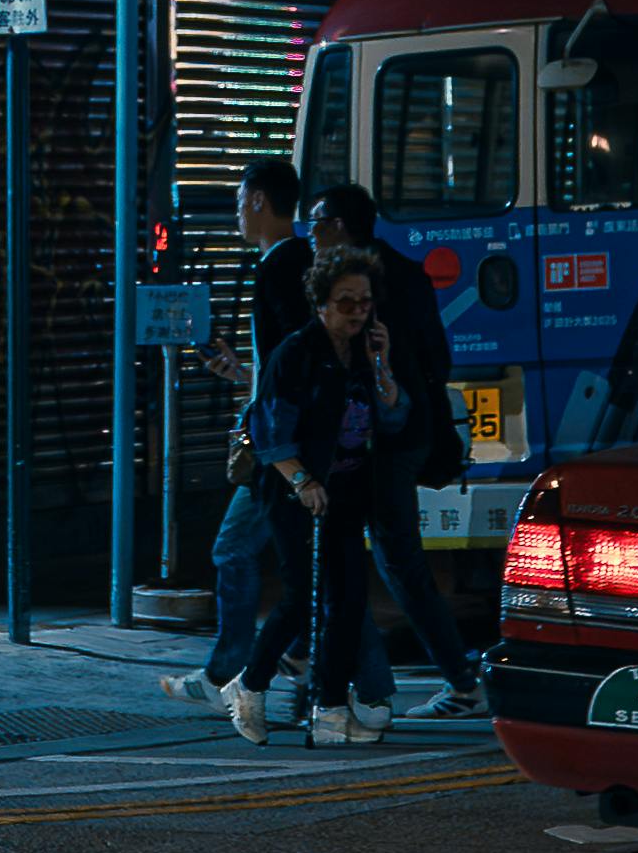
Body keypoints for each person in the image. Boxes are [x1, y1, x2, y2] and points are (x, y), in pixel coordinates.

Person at [307, 182, 489, 713]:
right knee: (383, 558)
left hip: (369, 440)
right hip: (409, 434)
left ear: (340, 226)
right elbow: (440, 359)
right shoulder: (409, 272)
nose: (312, 232)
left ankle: (452, 681)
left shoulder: (349, 287)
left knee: (385, 559)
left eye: (318, 221)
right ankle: (375, 681)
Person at [160, 159, 316, 724]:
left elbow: (295, 360)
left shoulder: (281, 267)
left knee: (242, 551)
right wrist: (245, 373)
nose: (235, 212)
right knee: (310, 565)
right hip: (285, 436)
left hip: (280, 443)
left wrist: (264, 397)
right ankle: (304, 663)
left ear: (256, 199)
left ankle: (237, 669)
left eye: (238, 199)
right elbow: (289, 361)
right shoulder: (297, 262)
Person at [247, 252, 419, 748]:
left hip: (346, 492)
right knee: (303, 597)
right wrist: (303, 482)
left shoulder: (364, 353)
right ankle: (251, 684)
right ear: (321, 303)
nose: (357, 312)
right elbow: (270, 432)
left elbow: (393, 419)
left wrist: (382, 365)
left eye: (365, 302)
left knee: (346, 602)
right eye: (346, 302)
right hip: (296, 494)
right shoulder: (297, 353)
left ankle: (329, 707)